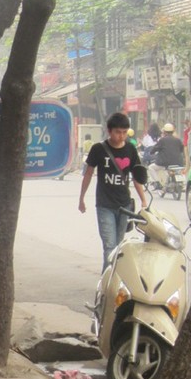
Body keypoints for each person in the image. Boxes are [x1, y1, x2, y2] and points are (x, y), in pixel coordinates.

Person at [79, 111, 147, 272]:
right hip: (104, 205)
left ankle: (115, 280)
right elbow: (88, 174)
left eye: (124, 132)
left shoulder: (131, 149)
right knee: (109, 247)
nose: (121, 136)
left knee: (119, 245)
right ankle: (107, 282)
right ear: (109, 131)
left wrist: (143, 200)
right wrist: (81, 198)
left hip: (124, 205)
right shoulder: (99, 149)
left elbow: (136, 177)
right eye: (117, 132)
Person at [147, 122, 185, 188]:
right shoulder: (178, 140)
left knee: (151, 167)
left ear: (164, 132)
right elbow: (181, 150)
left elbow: (155, 149)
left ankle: (157, 182)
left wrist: (151, 152)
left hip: (165, 163)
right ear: (173, 131)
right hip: (178, 163)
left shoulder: (162, 140)